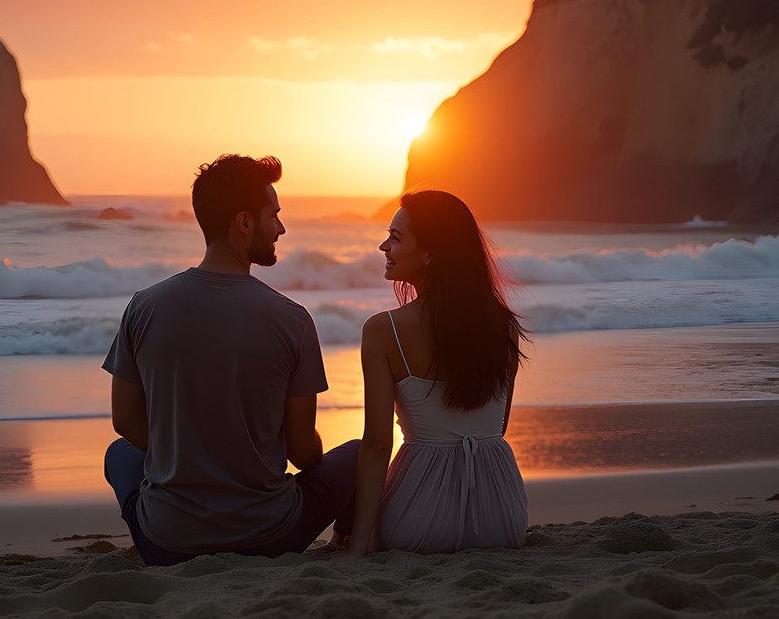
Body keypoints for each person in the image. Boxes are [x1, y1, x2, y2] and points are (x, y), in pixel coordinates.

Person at [103, 154, 359, 566]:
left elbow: (126, 423)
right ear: (244, 222)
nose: (281, 228)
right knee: (362, 452)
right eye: (273, 216)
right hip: (272, 536)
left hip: (166, 544)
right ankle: (346, 540)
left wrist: (186, 455)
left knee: (119, 453)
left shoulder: (144, 307)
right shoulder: (292, 320)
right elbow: (303, 453)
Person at [344, 189, 528, 556]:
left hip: (419, 523)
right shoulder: (503, 325)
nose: (384, 247)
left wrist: (358, 545)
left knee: (353, 456)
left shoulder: (384, 330)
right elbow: (499, 428)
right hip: (502, 518)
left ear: (430, 253)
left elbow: (378, 445)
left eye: (395, 238)